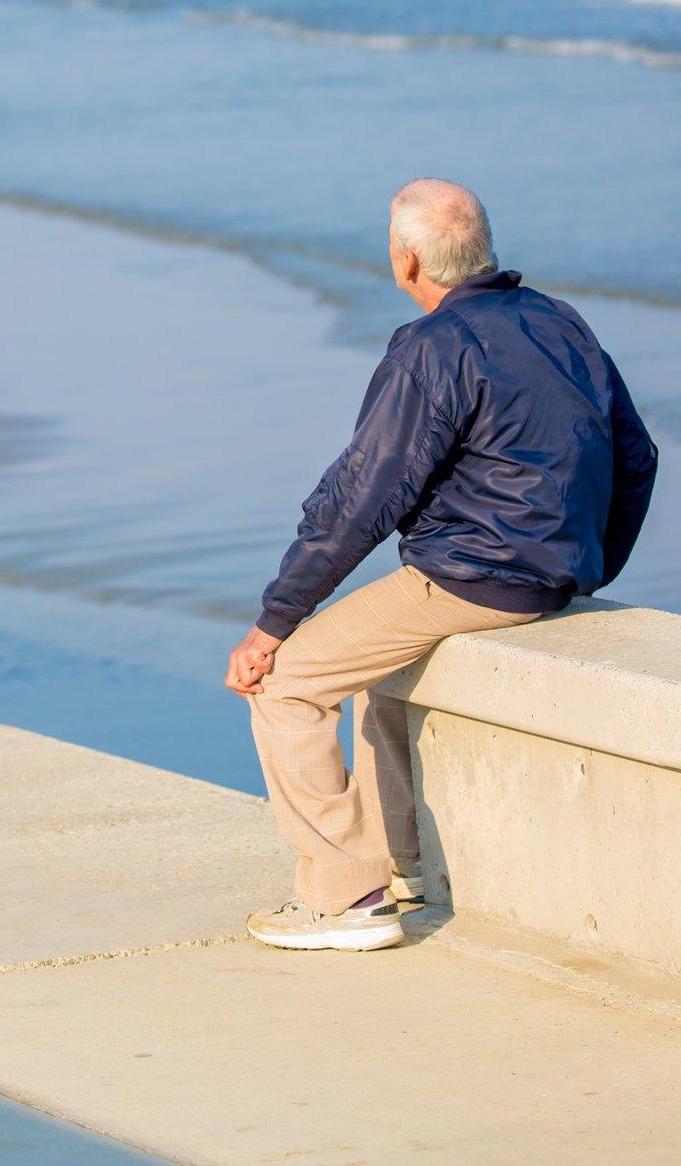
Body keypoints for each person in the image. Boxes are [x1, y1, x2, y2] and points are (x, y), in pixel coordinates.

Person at [227, 178, 658, 952]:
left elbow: (362, 497)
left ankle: (343, 895)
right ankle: (406, 864)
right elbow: (637, 457)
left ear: (408, 261)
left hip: (469, 577)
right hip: (544, 574)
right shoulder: (561, 323)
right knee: (375, 666)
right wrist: (586, 566)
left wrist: (274, 622)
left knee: (289, 683)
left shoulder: (432, 347)